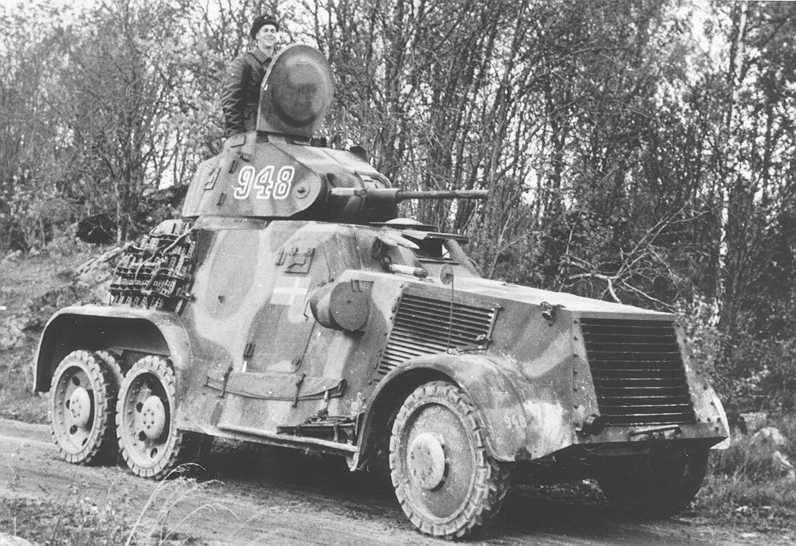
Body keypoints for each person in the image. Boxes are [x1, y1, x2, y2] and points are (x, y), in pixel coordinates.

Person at [221, 15, 280, 136]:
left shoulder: (280, 65)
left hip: (276, 132)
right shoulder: (244, 62)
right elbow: (231, 99)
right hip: (250, 131)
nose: (270, 34)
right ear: (257, 35)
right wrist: (236, 134)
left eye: (273, 31)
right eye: (265, 30)